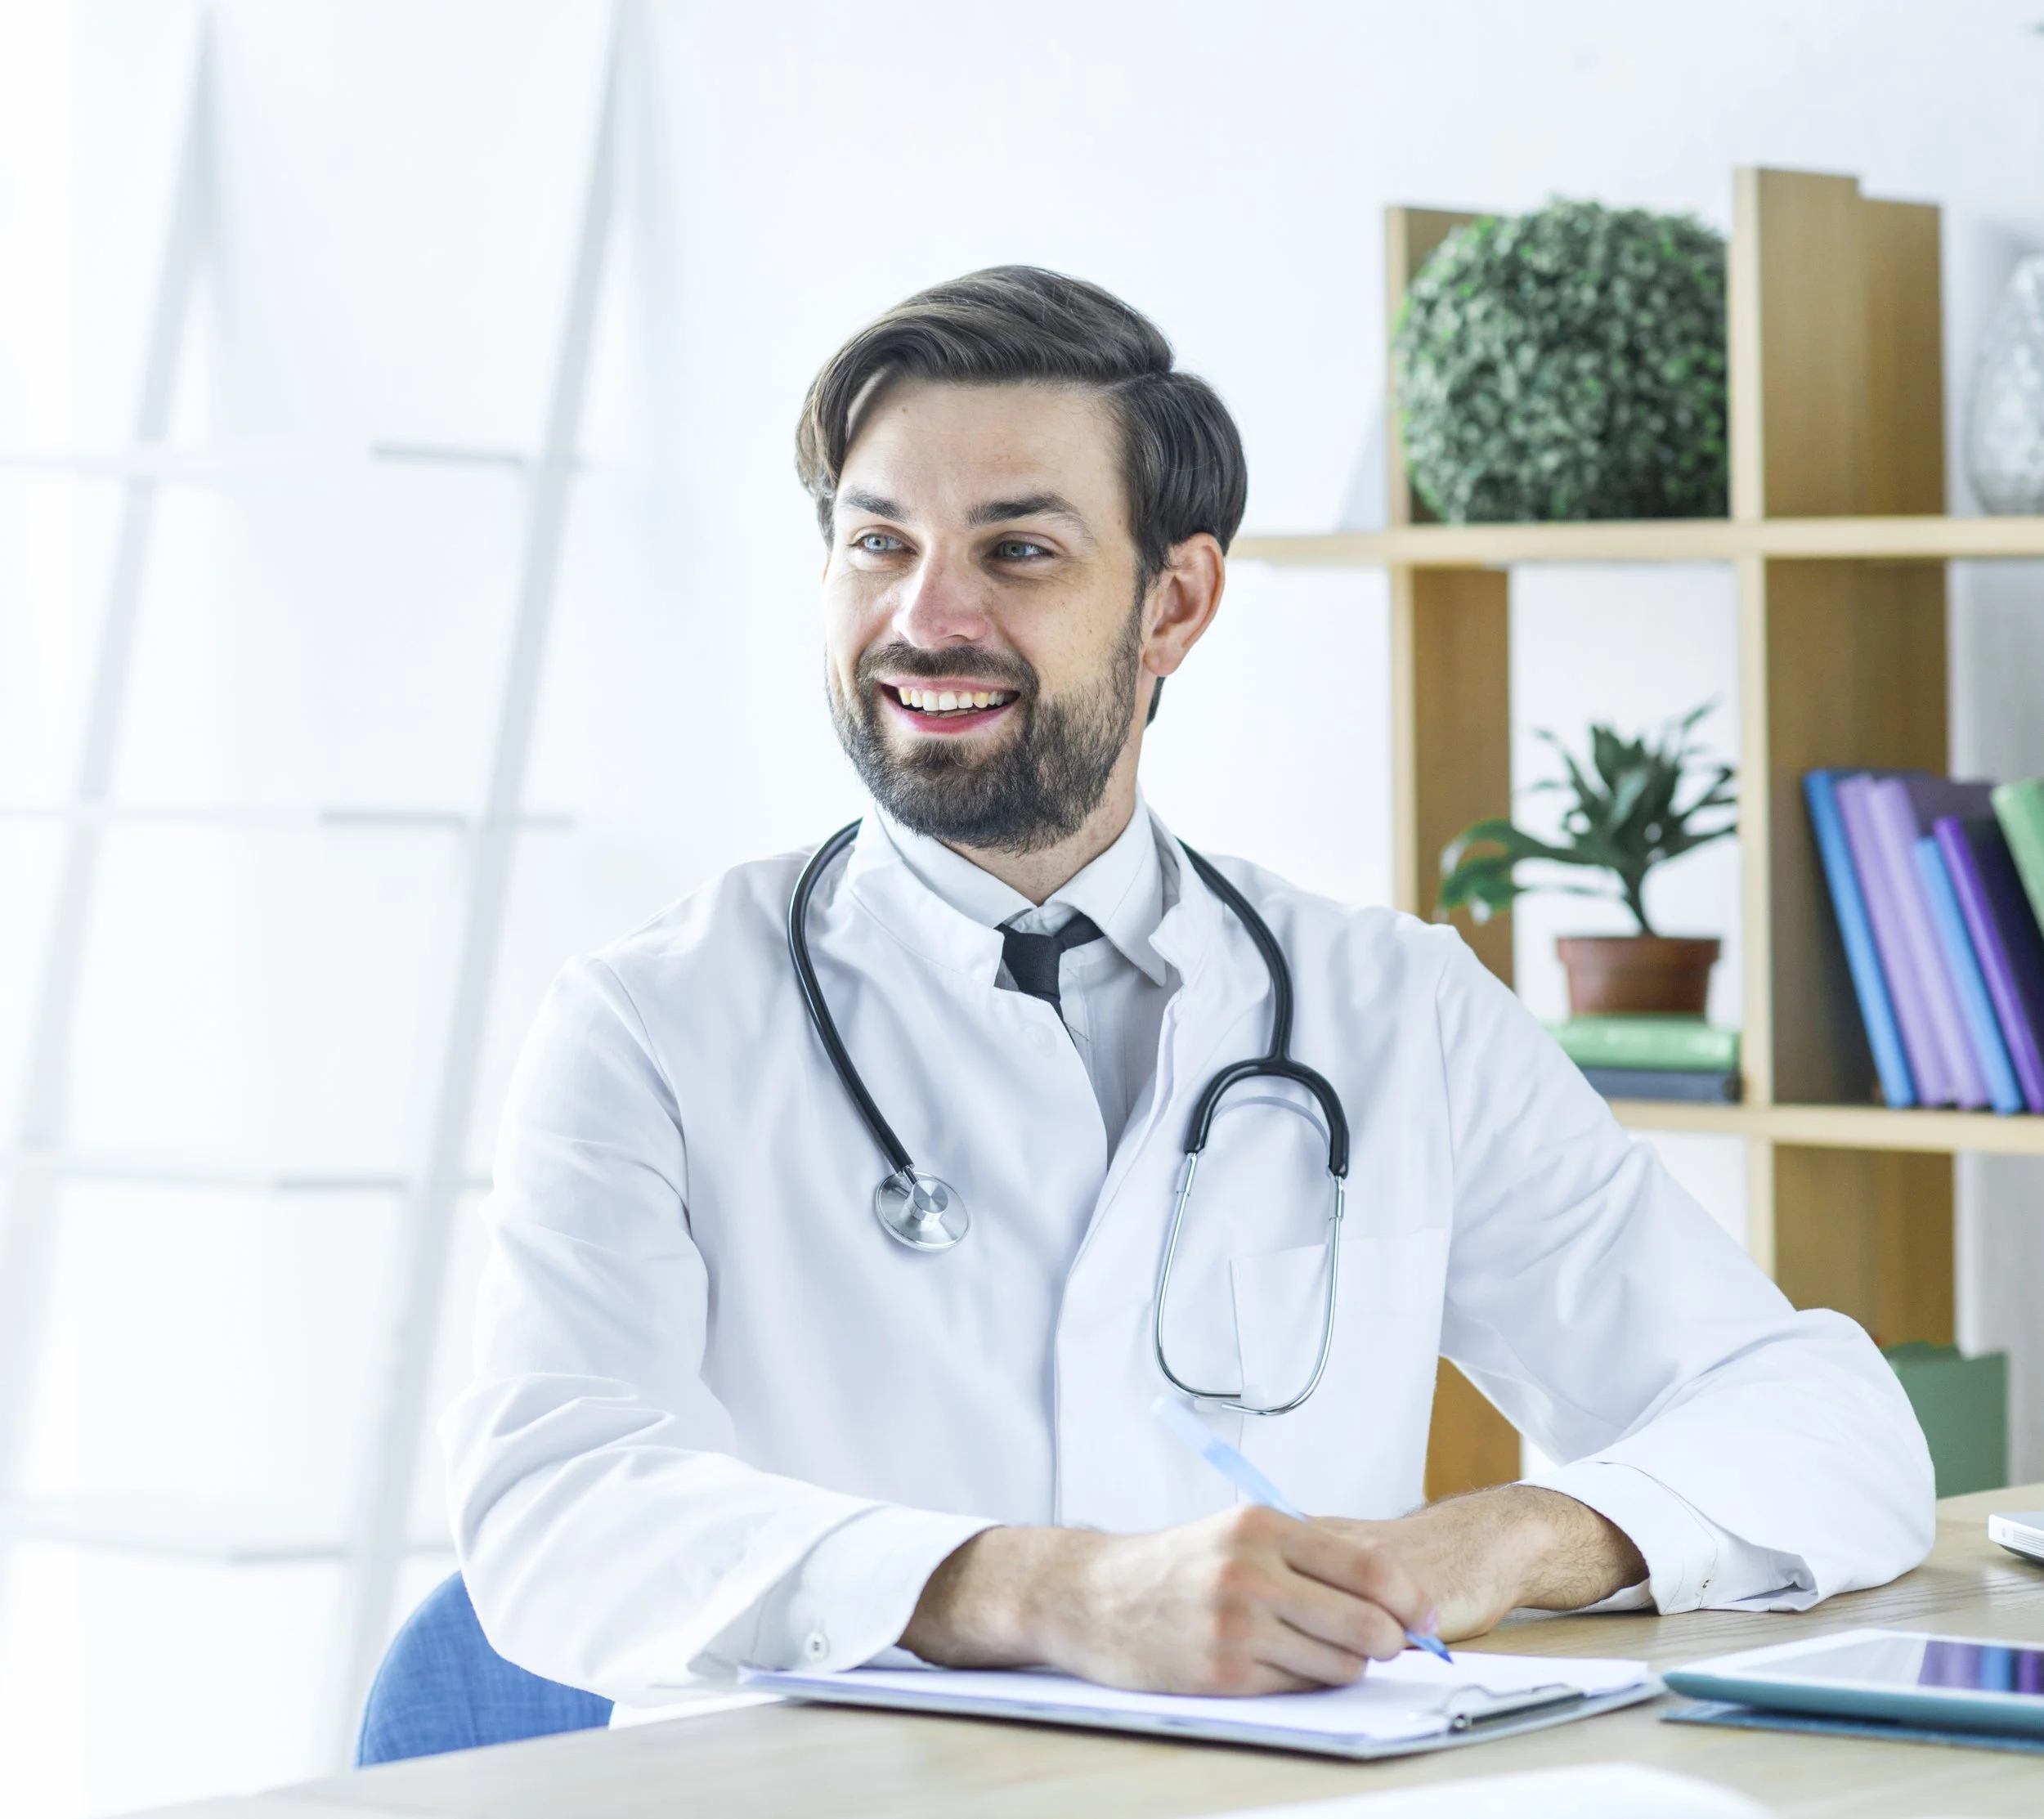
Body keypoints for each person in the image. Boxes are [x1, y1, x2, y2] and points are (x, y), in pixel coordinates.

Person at [442, 267, 1933, 1709]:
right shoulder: (650, 1022)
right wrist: (1033, 1592)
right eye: (877, 543)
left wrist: (1503, 1541)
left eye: (1017, 551)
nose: (925, 617)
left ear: (1174, 605)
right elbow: (559, 1512)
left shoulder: (1392, 1007)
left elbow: (1831, 1430)